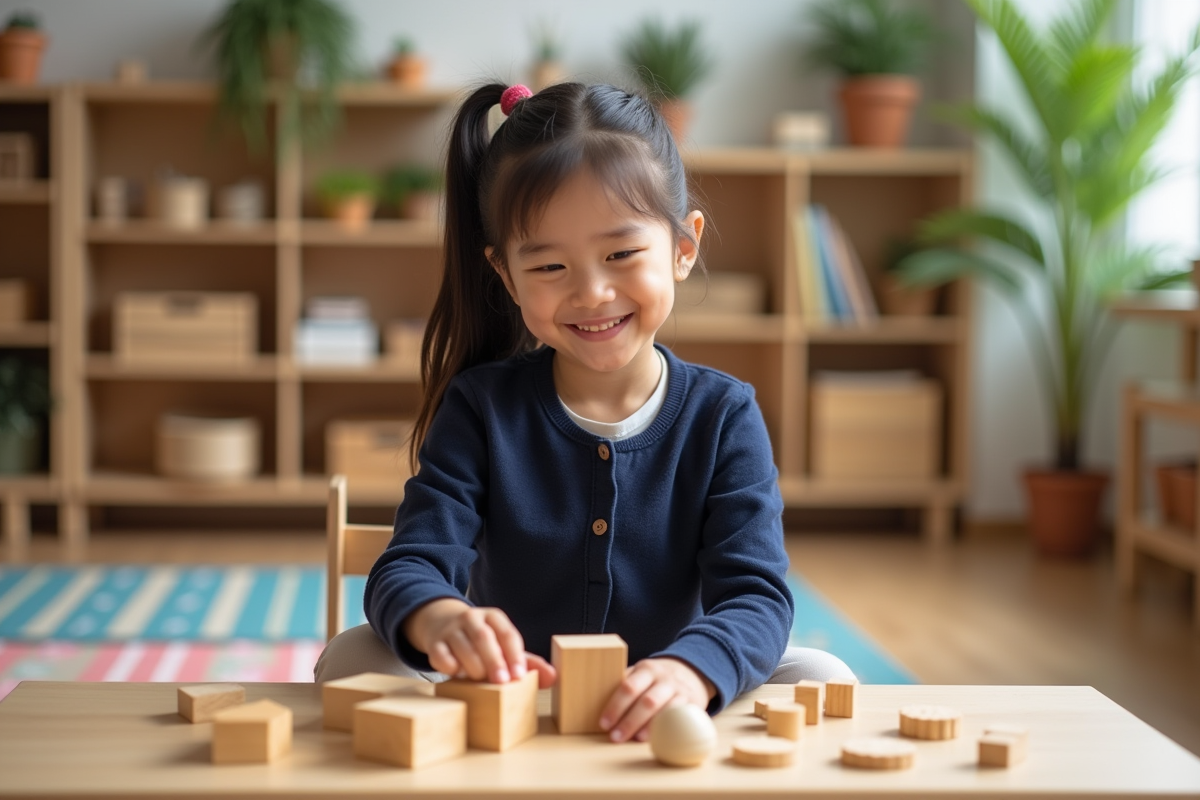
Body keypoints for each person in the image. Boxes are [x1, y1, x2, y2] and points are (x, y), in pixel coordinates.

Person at [315, 81, 854, 743]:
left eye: (621, 254)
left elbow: (756, 597)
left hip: (666, 701)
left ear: (684, 247)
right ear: (506, 276)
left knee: (823, 675)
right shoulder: (482, 406)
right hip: (507, 699)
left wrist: (691, 670)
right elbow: (410, 563)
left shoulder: (723, 414)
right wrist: (444, 620)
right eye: (548, 266)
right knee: (351, 653)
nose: (592, 293)